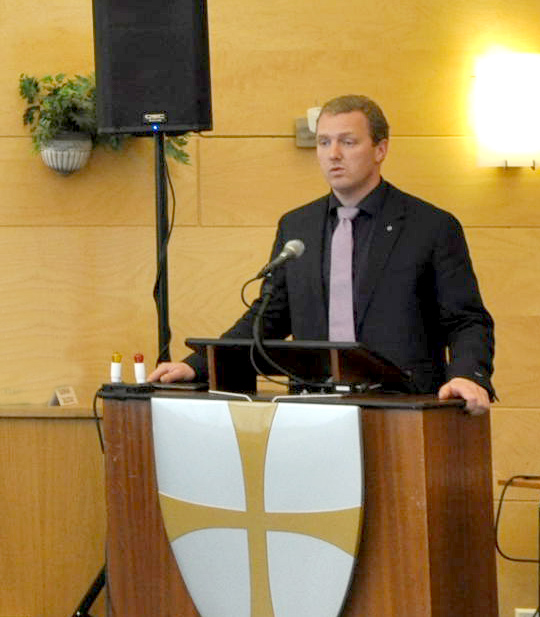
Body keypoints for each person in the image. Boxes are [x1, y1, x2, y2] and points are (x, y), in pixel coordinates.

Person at [148, 95, 494, 414]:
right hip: (313, 406)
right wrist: (198, 365)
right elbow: (269, 315)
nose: (333, 154)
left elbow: (466, 320)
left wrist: (468, 375)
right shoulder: (297, 226)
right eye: (324, 142)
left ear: (380, 149)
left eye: (348, 142)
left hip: (404, 405)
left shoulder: (430, 226)